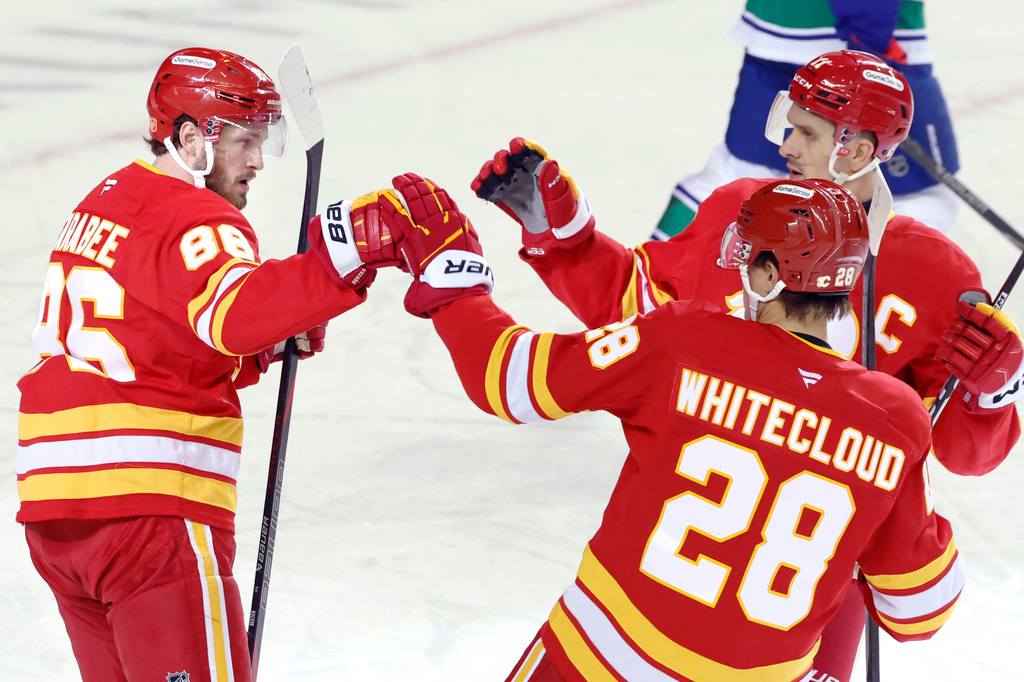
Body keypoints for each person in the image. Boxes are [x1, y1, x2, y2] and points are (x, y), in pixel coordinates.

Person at [468, 51, 1023, 682]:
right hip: (678, 554)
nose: (787, 144)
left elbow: (960, 450)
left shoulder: (936, 275)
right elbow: (639, 311)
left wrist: (993, 393)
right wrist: (568, 242)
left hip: (811, 588)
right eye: (789, 121)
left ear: (861, 147)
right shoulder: (743, 214)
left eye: (807, 131)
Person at [367, 171, 964, 682]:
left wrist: (456, 284)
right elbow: (920, 611)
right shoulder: (896, 417)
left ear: (765, 275)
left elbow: (508, 380)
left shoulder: (685, 338)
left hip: (597, 660)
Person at [16, 47, 404, 682]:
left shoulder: (103, 201)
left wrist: (268, 344)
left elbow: (150, 338)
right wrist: (342, 254)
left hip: (59, 518)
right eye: (244, 141)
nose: (255, 162)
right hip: (149, 519)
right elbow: (236, 314)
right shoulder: (198, 215)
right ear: (191, 137)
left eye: (262, 141)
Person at [653, 0, 961, 240]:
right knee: (927, 197)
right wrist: (870, 36)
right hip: (860, 43)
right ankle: (855, 300)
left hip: (776, 28)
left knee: (733, 177)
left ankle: (646, 283)